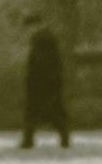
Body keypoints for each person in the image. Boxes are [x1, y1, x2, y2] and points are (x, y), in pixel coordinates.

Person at [21, 12, 70, 149]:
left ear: (35, 25)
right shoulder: (46, 38)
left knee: (35, 111)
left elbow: (40, 63)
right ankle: (63, 139)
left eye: (29, 28)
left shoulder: (41, 39)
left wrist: (34, 80)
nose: (27, 32)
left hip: (42, 83)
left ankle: (28, 141)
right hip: (50, 82)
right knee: (54, 112)